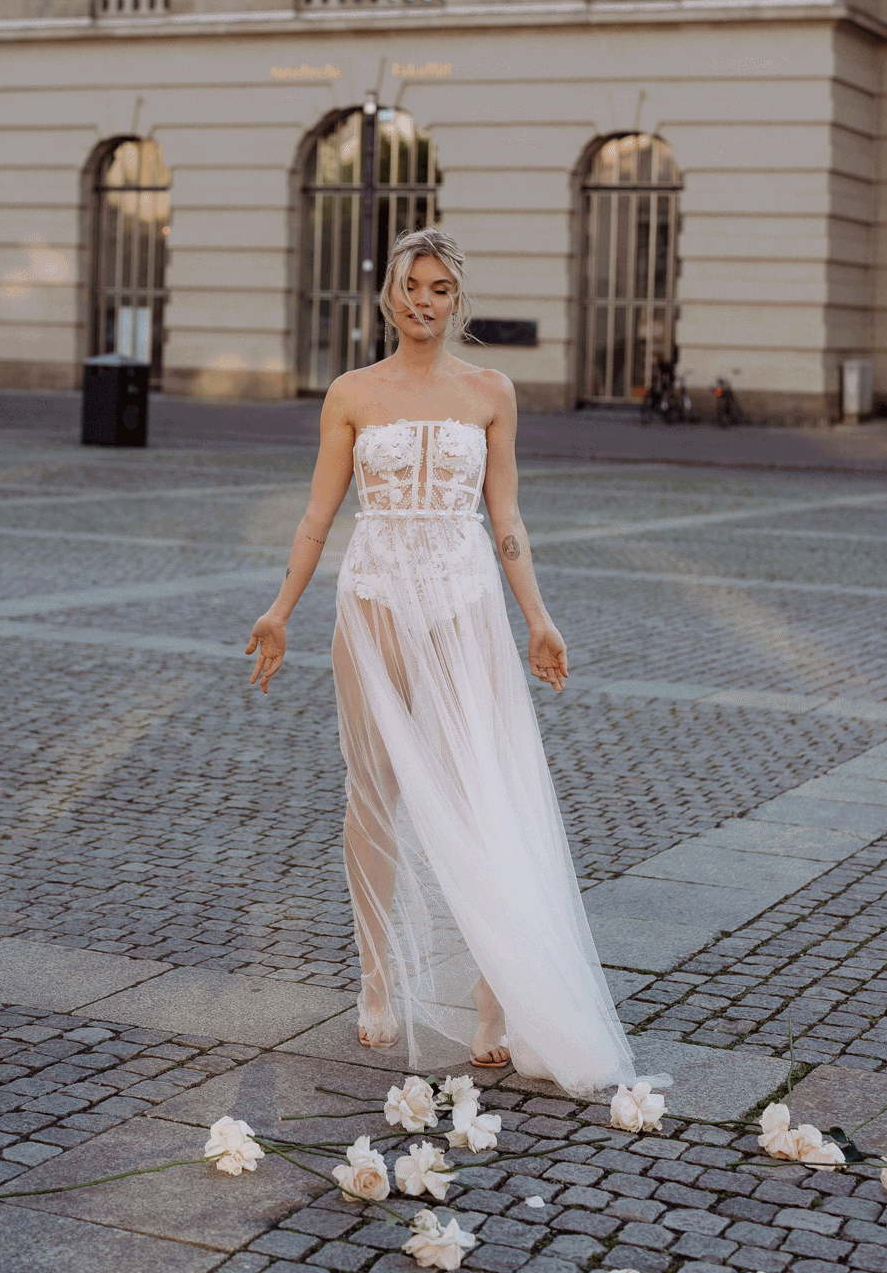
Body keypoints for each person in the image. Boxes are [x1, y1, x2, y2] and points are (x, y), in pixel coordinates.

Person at [245, 227, 635, 1097]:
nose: (423, 302)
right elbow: (317, 517)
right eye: (411, 286)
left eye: (440, 290)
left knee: (480, 792)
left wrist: (538, 617)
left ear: (458, 301)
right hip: (375, 595)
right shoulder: (350, 393)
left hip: (463, 601)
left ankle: (492, 997)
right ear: (389, 293)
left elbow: (507, 522)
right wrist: (279, 612)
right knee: (371, 786)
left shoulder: (491, 392)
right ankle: (378, 977)